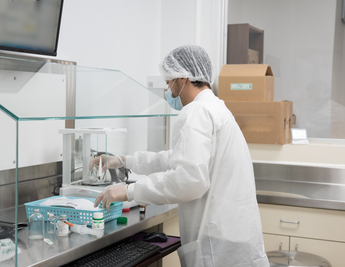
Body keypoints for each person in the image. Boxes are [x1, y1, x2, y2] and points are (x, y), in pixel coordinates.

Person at [91, 45, 269, 267]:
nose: (169, 91)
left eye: (169, 83)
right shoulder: (216, 108)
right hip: (232, 237)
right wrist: (124, 160)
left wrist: (129, 191)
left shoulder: (196, 111)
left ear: (183, 77)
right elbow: (177, 158)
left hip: (218, 246)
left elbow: (189, 180)